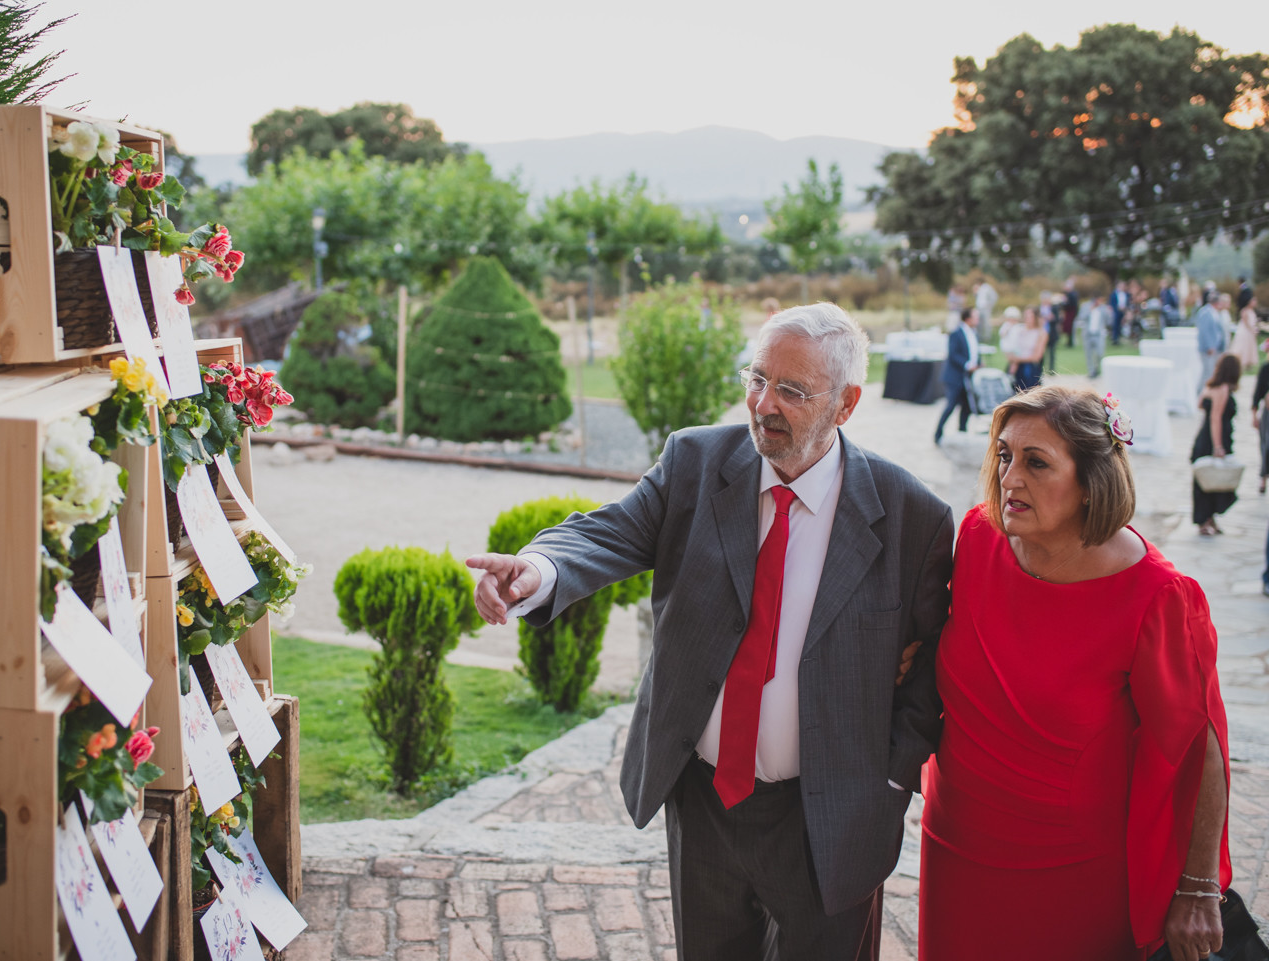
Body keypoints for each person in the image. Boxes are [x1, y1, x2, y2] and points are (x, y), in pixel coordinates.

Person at [467, 303, 954, 960]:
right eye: (757, 378)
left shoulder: (911, 516)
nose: (763, 403)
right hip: (704, 802)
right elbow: (610, 529)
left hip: (832, 813)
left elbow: (930, 667)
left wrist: (891, 781)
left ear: (846, 404)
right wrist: (537, 568)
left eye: (791, 390)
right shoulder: (695, 462)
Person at [919, 385, 1231, 961]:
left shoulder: (1157, 596)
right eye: (1005, 454)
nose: (1009, 478)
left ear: (1092, 483)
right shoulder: (979, 538)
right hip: (956, 840)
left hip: (1075, 869)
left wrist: (1197, 888)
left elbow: (1198, 746)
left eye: (1037, 463)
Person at [1193, 353, 1242, 536]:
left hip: (1203, 436)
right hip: (1215, 438)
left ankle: (1208, 518)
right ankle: (1205, 519)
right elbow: (1215, 418)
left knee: (1208, 480)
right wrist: (1218, 445)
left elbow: (1200, 405)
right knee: (1211, 480)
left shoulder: (1210, 385)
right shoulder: (1222, 389)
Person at [935, 307, 981, 444]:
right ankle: (938, 433)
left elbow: (974, 352)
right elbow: (953, 354)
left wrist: (978, 363)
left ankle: (962, 431)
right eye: (975, 316)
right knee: (951, 405)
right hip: (954, 377)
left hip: (968, 378)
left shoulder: (974, 333)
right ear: (968, 318)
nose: (978, 319)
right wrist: (967, 365)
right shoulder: (956, 333)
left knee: (966, 406)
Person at [1194, 293, 1230, 394]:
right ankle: (1201, 393)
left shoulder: (1214, 312)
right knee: (1207, 372)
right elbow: (1204, 331)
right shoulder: (1205, 312)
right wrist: (1210, 346)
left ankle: (1207, 393)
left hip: (1215, 348)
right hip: (1208, 349)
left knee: (1211, 372)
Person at [1007, 305, 1047, 391]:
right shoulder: (1019, 330)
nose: (1027, 319)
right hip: (1016, 363)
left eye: (1030, 317)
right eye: (1026, 316)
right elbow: (1011, 345)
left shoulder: (1041, 333)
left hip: (1030, 365)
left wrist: (1017, 359)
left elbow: (1037, 357)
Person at [1079, 293, 1110, 378]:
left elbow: (1109, 321)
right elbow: (1081, 317)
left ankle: (1096, 368)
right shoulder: (1086, 306)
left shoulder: (1103, 308)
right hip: (1088, 334)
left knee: (1100, 353)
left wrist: (1109, 312)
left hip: (1099, 334)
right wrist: (1090, 310)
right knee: (1088, 354)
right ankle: (1091, 372)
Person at [1230, 293, 1258, 373]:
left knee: (1250, 348)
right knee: (1243, 347)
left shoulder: (1252, 311)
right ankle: (1241, 363)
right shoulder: (1244, 310)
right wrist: (1253, 330)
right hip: (1245, 332)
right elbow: (1246, 323)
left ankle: (1248, 365)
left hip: (1250, 332)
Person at [1254, 348, 1269, 496]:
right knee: (1266, 446)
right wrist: (1254, 413)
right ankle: (1263, 477)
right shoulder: (1265, 369)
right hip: (1268, 415)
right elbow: (1258, 392)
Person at [1061, 276, 1080, 348]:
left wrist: (1065, 303)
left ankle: (1071, 342)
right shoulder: (1067, 294)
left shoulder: (1072, 294)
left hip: (1071, 312)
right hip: (1068, 312)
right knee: (1068, 328)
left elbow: (1072, 304)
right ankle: (1069, 341)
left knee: (1071, 328)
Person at [1111, 279, 1130, 345]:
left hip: (1124, 311)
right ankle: (1115, 339)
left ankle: (1121, 337)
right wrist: (1117, 308)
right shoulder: (1114, 294)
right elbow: (1112, 303)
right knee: (1116, 325)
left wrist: (1125, 309)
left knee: (1123, 325)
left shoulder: (1126, 294)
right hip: (1116, 311)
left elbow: (1128, 302)